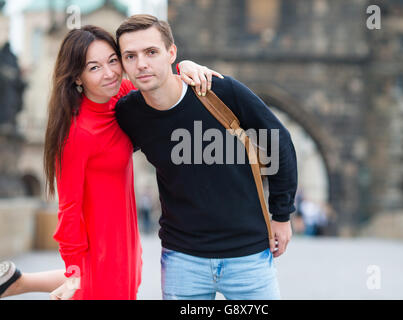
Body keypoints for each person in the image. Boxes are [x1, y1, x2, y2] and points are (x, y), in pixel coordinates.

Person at [0, 25, 219, 300]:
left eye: (112, 61)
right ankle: (21, 283)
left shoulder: (121, 94)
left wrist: (184, 66)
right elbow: (69, 208)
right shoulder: (77, 133)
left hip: (124, 238)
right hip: (99, 245)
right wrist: (73, 272)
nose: (109, 73)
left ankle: (18, 283)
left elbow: (159, 83)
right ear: (77, 77)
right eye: (94, 68)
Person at [114, 14, 298, 300]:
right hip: (182, 260)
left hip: (248, 256)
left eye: (151, 52)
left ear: (171, 53)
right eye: (130, 56)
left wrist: (282, 215)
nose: (142, 64)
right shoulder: (129, 113)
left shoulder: (219, 90)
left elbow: (280, 142)